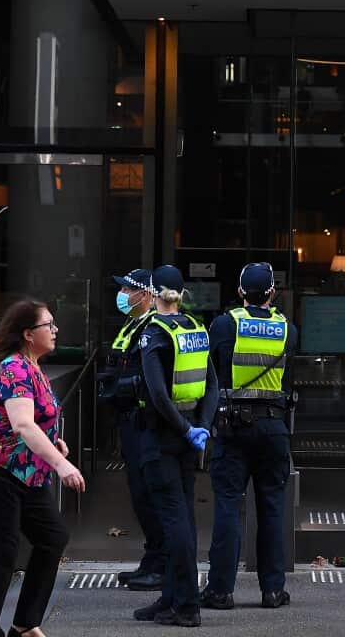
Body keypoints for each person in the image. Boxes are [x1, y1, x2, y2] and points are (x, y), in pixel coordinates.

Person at [0, 298, 85, 637]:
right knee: (2, 555)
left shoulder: (34, 368)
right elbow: (23, 425)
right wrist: (62, 465)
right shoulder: (13, 369)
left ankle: (25, 624)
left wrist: (53, 442)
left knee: (52, 537)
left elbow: (34, 422)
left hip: (26, 471)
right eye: (49, 325)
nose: (55, 330)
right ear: (28, 334)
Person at [201, 262, 298, 610]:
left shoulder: (225, 325)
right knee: (272, 509)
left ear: (240, 291)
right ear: (272, 292)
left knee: (228, 506)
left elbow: (211, 371)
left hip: (233, 428)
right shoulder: (288, 329)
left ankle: (220, 591)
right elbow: (288, 379)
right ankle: (273, 591)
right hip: (274, 427)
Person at [131, 265, 219, 628]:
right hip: (188, 436)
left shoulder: (153, 332)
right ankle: (171, 598)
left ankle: (185, 605)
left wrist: (184, 429)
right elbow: (212, 385)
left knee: (174, 521)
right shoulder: (195, 328)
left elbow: (157, 394)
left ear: (153, 293)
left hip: (162, 436)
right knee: (183, 518)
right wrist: (201, 428)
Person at [98, 268, 164, 592]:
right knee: (139, 495)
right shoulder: (133, 324)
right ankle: (151, 560)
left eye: (128, 289)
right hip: (129, 421)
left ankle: (160, 565)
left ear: (146, 295)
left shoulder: (153, 327)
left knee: (150, 495)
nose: (123, 294)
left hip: (144, 423)